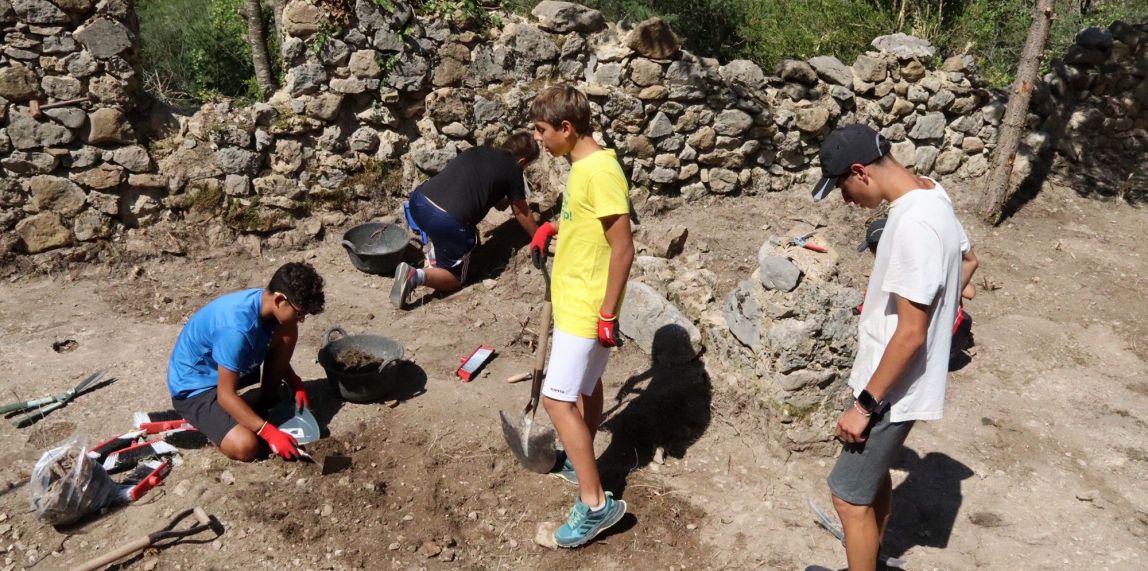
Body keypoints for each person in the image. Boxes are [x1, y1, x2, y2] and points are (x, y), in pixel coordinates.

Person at [812, 123, 968, 571]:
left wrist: (863, 406)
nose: (844, 199)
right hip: (891, 383)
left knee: (846, 497)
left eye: (841, 186)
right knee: (870, 482)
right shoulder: (932, 195)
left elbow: (910, 333)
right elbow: (967, 259)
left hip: (888, 390)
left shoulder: (913, 224)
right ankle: (871, 561)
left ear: (860, 172)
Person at [528, 84, 634, 548]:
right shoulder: (583, 166)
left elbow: (623, 248)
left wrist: (607, 313)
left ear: (567, 129)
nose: (537, 138)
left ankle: (596, 506)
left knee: (556, 400)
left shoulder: (599, 172)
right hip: (581, 300)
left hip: (586, 306)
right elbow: (588, 219)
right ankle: (582, 453)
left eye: (541, 130)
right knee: (586, 389)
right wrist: (555, 225)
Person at [167, 262, 325, 462]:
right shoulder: (235, 329)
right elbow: (225, 395)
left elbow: (277, 340)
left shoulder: (265, 303)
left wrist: (294, 380)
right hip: (195, 387)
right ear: (279, 300)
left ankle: (265, 403)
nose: (302, 319)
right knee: (246, 446)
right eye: (300, 312)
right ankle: (214, 427)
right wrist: (268, 433)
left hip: (228, 368)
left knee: (288, 329)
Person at [390, 133, 541, 308]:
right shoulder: (513, 169)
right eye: (527, 165)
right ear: (522, 161)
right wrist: (538, 236)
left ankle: (436, 255)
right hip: (447, 221)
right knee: (455, 279)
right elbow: (521, 211)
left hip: (419, 202)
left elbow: (476, 189)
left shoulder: (478, 151)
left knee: (466, 235)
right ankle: (414, 276)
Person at [856, 218, 979, 360]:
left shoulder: (889, 275)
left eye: (872, 250)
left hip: (933, 344)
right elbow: (971, 292)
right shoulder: (927, 262)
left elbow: (872, 308)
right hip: (956, 330)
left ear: (876, 250)